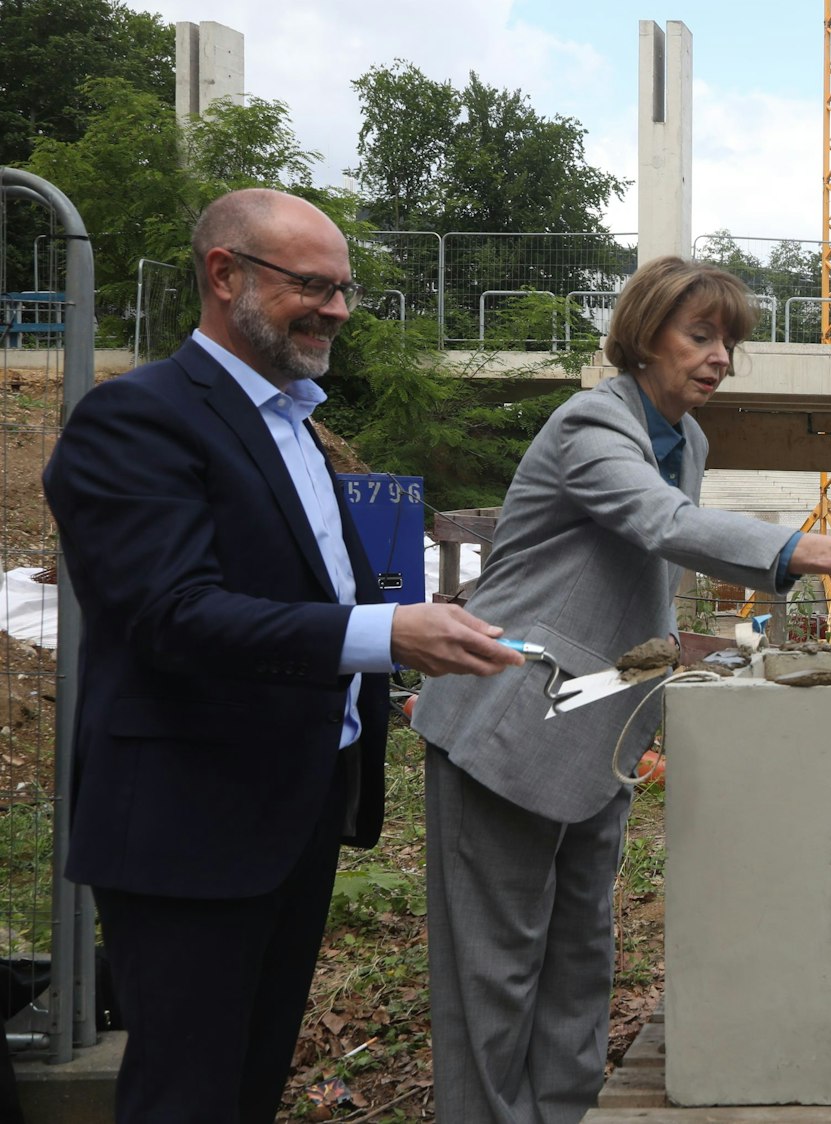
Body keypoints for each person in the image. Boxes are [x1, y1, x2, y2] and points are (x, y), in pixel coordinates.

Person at [411, 256, 831, 1124]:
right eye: (700, 335)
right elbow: (664, 524)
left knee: (582, 954)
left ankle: (566, 1112)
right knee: (493, 972)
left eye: (729, 341)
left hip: (598, 727)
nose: (719, 357)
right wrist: (828, 550)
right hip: (507, 717)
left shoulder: (686, 440)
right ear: (643, 335)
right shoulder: (592, 424)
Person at [40, 188, 523, 1124]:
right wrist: (387, 637)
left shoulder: (295, 423)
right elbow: (170, 616)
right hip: (190, 822)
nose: (338, 308)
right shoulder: (136, 420)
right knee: (187, 1092)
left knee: (251, 1080)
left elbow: (307, 593)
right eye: (313, 285)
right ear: (226, 276)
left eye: (344, 289)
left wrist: (410, 636)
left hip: (294, 810)